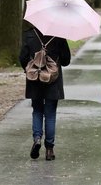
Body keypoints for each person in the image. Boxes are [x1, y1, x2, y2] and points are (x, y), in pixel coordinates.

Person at [19, 27, 71, 161]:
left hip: (34, 79)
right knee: (50, 114)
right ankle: (49, 149)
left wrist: (33, 66)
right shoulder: (59, 35)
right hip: (52, 81)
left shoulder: (29, 34)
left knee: (37, 111)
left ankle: (37, 138)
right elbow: (66, 60)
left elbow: (22, 58)